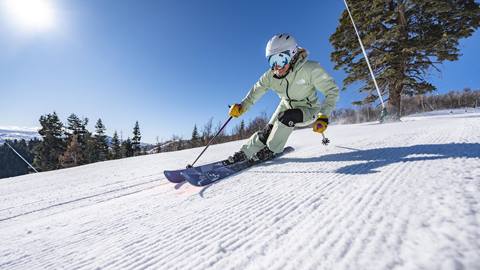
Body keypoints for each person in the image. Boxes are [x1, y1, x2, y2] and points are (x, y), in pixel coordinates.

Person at [226, 33, 339, 164]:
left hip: (308, 109)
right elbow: (256, 91)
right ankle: (245, 153)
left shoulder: (310, 69)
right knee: (267, 132)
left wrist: (324, 115)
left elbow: (332, 91)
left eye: (280, 60)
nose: (276, 67)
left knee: (287, 117)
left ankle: (272, 150)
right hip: (286, 105)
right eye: (272, 61)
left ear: (292, 55)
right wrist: (242, 106)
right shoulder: (270, 76)